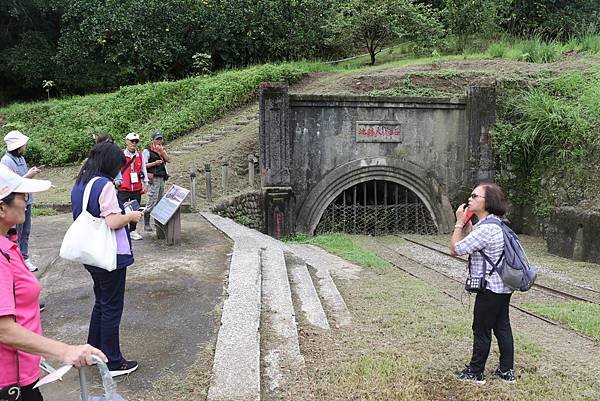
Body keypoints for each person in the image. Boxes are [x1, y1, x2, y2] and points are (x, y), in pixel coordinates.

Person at [0, 166, 107, 401]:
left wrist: (36, 349)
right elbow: (3, 328)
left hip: (22, 376)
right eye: (23, 196)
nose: (27, 202)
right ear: (1, 207)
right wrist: (65, 351)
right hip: (10, 387)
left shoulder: (8, 245)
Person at [71, 142, 143, 377]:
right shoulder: (105, 185)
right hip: (109, 255)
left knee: (101, 302)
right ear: (110, 163)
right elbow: (112, 222)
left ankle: (93, 352)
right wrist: (131, 215)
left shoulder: (80, 183)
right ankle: (113, 361)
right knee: (112, 306)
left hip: (91, 254)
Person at [450, 183, 516, 384]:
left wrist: (459, 224)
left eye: (474, 196)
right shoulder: (497, 223)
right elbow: (478, 241)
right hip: (503, 286)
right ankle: (506, 371)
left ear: (487, 202)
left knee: (481, 329)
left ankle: (475, 372)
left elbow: (456, 249)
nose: (470, 199)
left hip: (489, 289)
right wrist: (470, 225)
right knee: (502, 327)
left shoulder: (486, 229)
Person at [1, 131, 42, 272]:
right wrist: (28, 175)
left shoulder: (21, 158)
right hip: (14, 202)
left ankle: (25, 258)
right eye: (23, 144)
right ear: (18, 146)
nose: (25, 146)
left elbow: (22, 180)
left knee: (26, 231)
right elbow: (11, 184)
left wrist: (31, 174)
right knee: (14, 234)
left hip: (26, 200)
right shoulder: (6, 161)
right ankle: (16, 261)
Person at [118, 133, 148, 240]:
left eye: (136, 141)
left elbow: (144, 169)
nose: (133, 143)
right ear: (126, 141)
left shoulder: (140, 155)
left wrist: (145, 183)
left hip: (136, 187)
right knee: (121, 209)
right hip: (123, 187)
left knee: (135, 209)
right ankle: (121, 229)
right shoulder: (120, 154)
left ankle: (133, 230)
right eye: (131, 141)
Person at [142, 130, 171, 231]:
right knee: (151, 200)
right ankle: (146, 223)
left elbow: (169, 160)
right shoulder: (147, 151)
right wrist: (154, 163)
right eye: (157, 139)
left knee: (160, 200)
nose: (159, 141)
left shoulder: (162, 150)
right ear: (153, 140)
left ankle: (158, 223)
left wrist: (162, 152)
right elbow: (144, 165)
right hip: (153, 178)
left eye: (160, 139)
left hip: (162, 177)